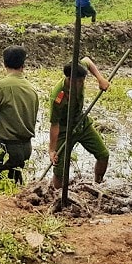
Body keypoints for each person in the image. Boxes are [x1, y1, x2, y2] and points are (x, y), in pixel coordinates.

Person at [48, 56, 111, 189]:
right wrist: (52, 150)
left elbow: (87, 60)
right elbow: (55, 124)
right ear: (70, 80)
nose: (82, 84)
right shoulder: (58, 96)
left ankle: (97, 185)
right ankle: (57, 194)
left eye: (83, 81)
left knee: (103, 154)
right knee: (59, 170)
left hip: (81, 123)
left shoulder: (78, 67)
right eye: (79, 82)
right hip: (64, 130)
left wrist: (100, 79)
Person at [0, 45, 39, 183]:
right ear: (23, 65)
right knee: (14, 182)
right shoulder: (32, 89)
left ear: (4, 63)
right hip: (26, 147)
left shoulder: (1, 85)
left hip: (6, 147)